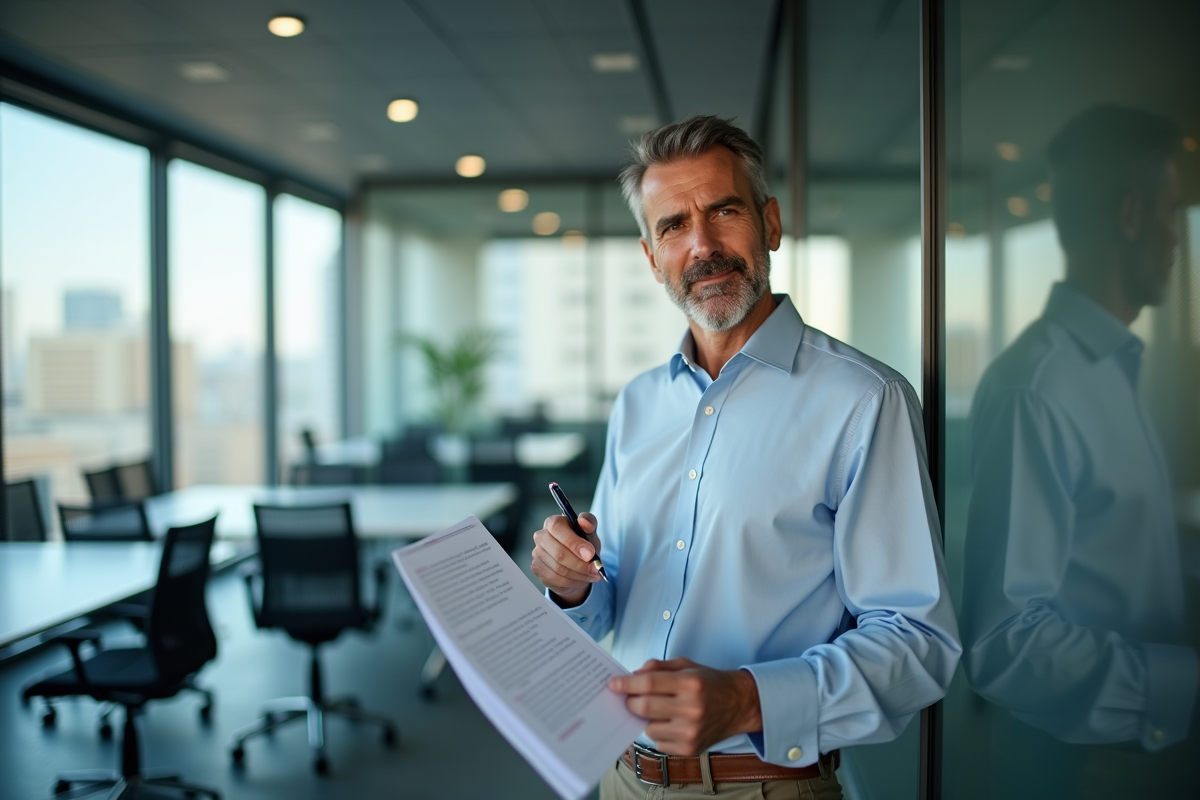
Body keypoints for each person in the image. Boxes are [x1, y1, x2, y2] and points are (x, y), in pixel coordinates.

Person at [531, 116, 960, 799]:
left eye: (724, 211)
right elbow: (611, 600)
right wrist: (572, 583)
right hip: (619, 776)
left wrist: (750, 699)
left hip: (764, 785)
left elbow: (917, 643)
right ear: (651, 257)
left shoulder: (862, 399)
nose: (702, 245)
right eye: (673, 225)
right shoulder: (638, 404)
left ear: (770, 224)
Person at [961, 105, 1198, 798]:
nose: (1178, 236)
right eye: (1171, 209)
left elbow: (1115, 553)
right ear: (1130, 217)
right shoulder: (1038, 389)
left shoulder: (1113, 370)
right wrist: (1184, 684)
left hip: (1141, 758)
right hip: (1082, 771)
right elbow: (1005, 645)